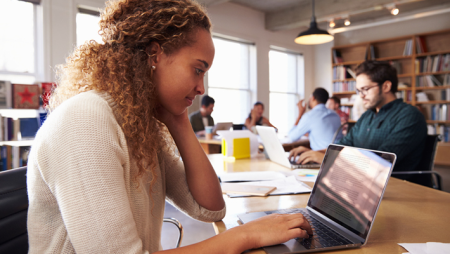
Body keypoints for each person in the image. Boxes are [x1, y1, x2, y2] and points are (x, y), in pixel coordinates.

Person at [26, 1, 312, 253]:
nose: (201, 88)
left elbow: (210, 208)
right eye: (198, 70)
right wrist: (246, 234)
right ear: (154, 55)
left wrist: (178, 120)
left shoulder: (139, 123)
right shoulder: (86, 121)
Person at [289, 61, 427, 183]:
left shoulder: (409, 116)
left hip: (396, 187)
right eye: (359, 90)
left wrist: (325, 158)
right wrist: (314, 153)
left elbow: (381, 162)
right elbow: (343, 146)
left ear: (386, 86)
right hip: (361, 182)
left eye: (365, 89)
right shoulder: (367, 116)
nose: (361, 95)